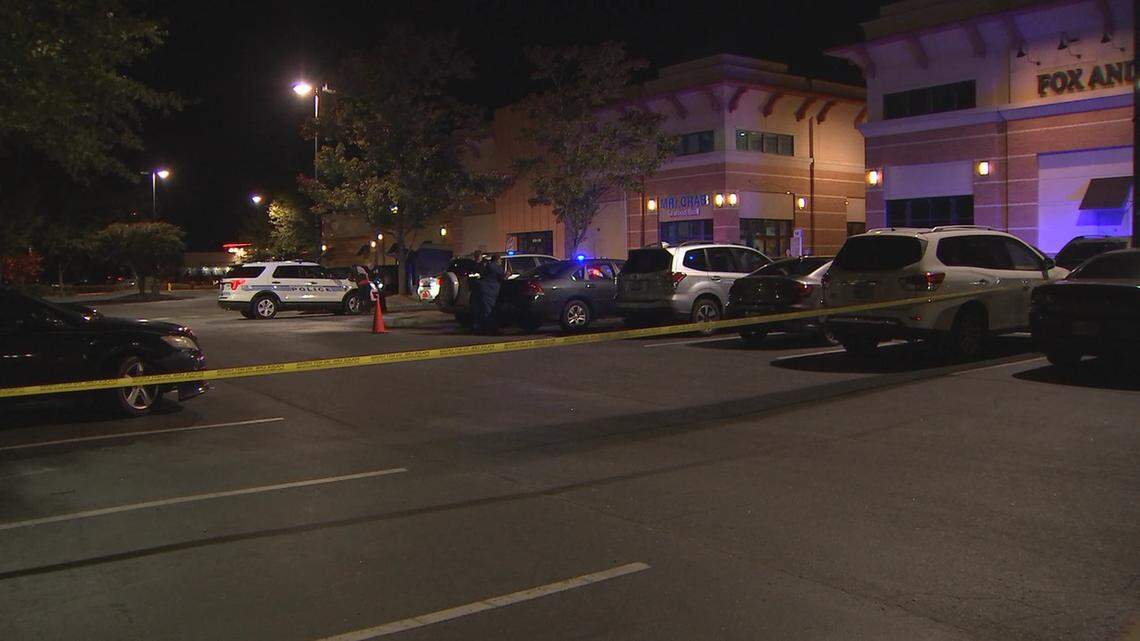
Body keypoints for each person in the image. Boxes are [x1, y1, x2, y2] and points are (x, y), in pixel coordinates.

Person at [474, 253, 505, 334]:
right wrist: (507, 274)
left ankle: (481, 327)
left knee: (483, 309)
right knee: (489, 310)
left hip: (483, 289)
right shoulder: (495, 267)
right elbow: (501, 277)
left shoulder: (488, 266)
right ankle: (489, 328)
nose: (501, 261)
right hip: (489, 290)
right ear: (497, 260)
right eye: (500, 260)